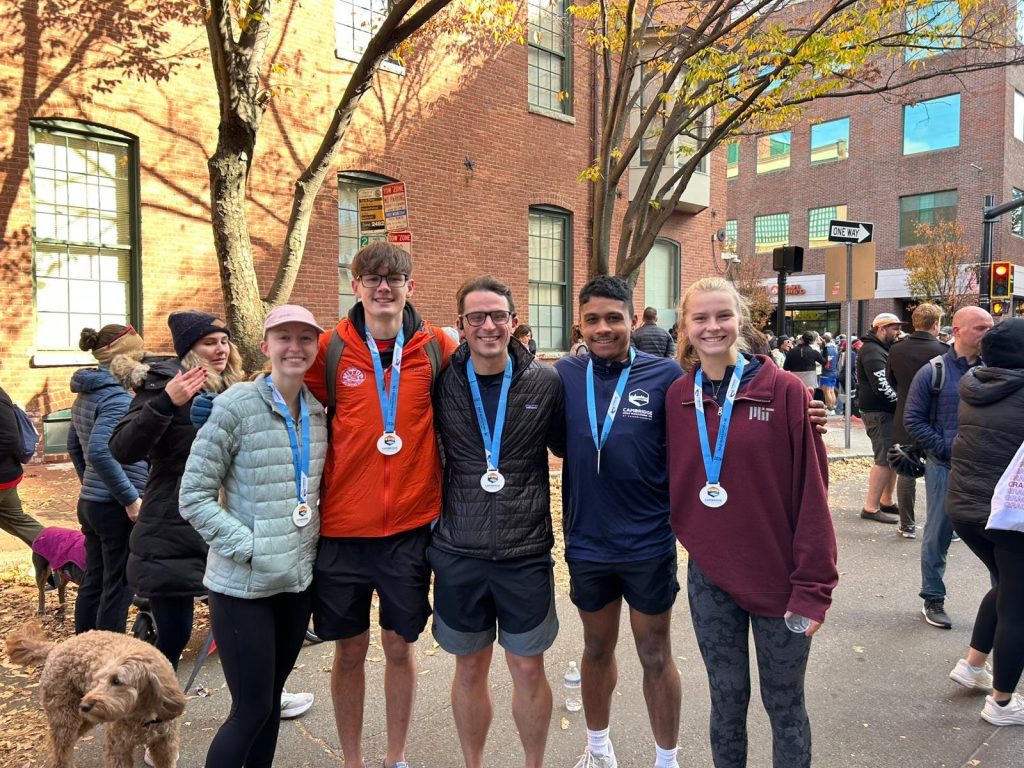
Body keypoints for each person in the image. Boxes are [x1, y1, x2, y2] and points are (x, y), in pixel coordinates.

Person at [666, 277, 837, 768]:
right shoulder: (678, 397)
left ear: (740, 320)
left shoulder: (784, 392)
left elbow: (812, 496)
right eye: (700, 318)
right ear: (686, 326)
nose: (712, 326)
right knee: (726, 702)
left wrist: (814, 586)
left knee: (784, 707)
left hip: (781, 581)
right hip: (711, 579)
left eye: (722, 315)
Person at [304, 241, 457, 768]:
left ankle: (396, 757)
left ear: (410, 287)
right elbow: (282, 407)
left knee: (398, 647)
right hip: (342, 531)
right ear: (356, 287)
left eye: (394, 278)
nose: (383, 287)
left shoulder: (437, 347)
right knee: (348, 651)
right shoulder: (329, 350)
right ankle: (352, 760)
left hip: (410, 530)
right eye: (372, 278)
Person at [180, 305, 328, 768]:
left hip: (295, 584)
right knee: (249, 710)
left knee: (270, 703)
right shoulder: (234, 406)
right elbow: (194, 497)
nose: (294, 347)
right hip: (244, 586)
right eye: (284, 337)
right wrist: (251, 549)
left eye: (305, 339)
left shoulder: (319, 414)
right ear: (265, 347)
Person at [430, 276, 565, 768]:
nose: (488, 326)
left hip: (524, 552)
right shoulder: (441, 382)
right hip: (458, 550)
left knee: (528, 669)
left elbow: (579, 447)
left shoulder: (545, 382)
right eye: (476, 317)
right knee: (469, 668)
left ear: (513, 320)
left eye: (497, 316)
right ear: (461, 324)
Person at [554, 275, 684, 768]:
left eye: (614, 318)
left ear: (633, 318)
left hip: (648, 542)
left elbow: (710, 429)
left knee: (654, 653)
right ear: (580, 325)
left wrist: (803, 410)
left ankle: (666, 759)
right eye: (593, 319)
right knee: (595, 647)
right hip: (588, 541)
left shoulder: (666, 376)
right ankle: (599, 748)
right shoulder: (564, 375)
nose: (603, 328)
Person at [109, 311, 244, 671]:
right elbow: (122, 449)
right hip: (172, 526)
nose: (221, 349)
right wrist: (167, 402)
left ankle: (259, 699)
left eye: (224, 340)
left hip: (223, 523)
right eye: (209, 342)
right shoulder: (165, 387)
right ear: (189, 349)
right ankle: (146, 709)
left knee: (242, 623)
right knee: (174, 634)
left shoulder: (231, 388)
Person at [946, 317, 1024, 724]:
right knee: (1018, 606)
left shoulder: (976, 386)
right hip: (1009, 517)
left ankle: (973, 666)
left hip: (967, 510)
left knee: (1007, 588)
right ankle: (1002, 703)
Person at [904, 306, 992, 630]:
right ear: (956, 330)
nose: (987, 333)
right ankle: (933, 597)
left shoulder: (995, 368)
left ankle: (1004, 596)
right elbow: (912, 420)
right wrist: (945, 448)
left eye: (990, 327)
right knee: (938, 533)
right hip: (945, 467)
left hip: (987, 468)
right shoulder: (933, 371)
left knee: (999, 537)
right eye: (980, 327)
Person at [68, 324, 149, 634]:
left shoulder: (88, 392)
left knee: (95, 580)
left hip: (92, 503)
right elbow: (101, 453)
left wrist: (91, 484)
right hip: (116, 506)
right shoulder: (116, 397)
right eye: (138, 356)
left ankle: (83, 651)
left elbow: (76, 446)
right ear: (122, 360)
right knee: (118, 585)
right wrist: (129, 499)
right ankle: (106, 657)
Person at [885, 303, 947, 539]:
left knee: (906, 468)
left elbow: (890, 380)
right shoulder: (942, 350)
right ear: (935, 324)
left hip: (905, 414)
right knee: (939, 469)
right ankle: (939, 525)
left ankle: (907, 524)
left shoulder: (897, 349)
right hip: (935, 417)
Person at [856, 313, 903, 524]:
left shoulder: (879, 348)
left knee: (891, 457)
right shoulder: (872, 351)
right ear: (882, 329)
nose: (898, 332)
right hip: (879, 412)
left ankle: (886, 500)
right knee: (883, 460)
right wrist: (901, 404)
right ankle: (871, 506)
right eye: (895, 328)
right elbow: (882, 386)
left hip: (884, 411)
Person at [0, 384, 44, 548]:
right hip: (7, 475)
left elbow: (9, 438)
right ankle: (61, 551)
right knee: (18, 522)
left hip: (3, 476)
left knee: (17, 521)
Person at [818, 332, 839, 413]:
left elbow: (820, 360)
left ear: (824, 340)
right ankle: (833, 408)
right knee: (831, 390)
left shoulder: (825, 350)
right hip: (833, 372)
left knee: (826, 391)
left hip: (826, 372)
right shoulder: (835, 349)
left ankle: (829, 408)